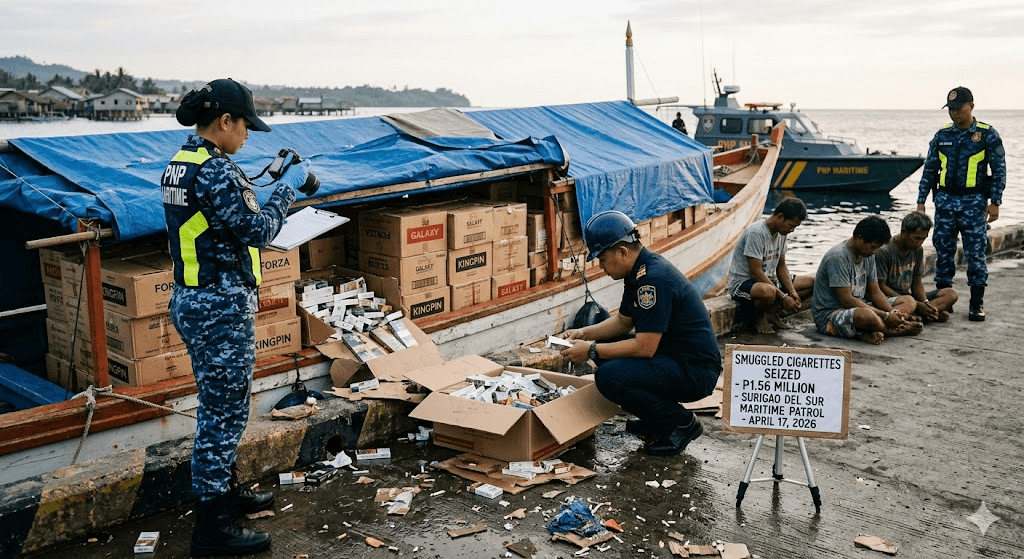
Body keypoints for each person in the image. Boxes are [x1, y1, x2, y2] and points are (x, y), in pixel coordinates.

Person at [162, 78, 318, 556]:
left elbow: (220, 210)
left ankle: (225, 495)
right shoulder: (216, 171)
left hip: (194, 298)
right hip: (219, 307)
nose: (249, 134)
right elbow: (258, 228)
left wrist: (265, 180)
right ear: (225, 121)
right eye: (246, 124)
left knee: (222, 405)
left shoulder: (183, 163)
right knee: (223, 414)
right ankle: (213, 528)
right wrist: (288, 188)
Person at [560, 211, 721, 456]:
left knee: (608, 376)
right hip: (675, 358)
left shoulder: (652, 280)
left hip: (695, 371)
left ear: (622, 252)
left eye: (602, 259)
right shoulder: (639, 271)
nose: (601, 267)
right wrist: (582, 333)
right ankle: (658, 419)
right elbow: (624, 322)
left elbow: (645, 347)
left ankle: (680, 424)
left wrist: (590, 350)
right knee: (606, 357)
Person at [916, 86, 1006, 322]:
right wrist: (921, 201)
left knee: (975, 254)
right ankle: (944, 302)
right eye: (951, 109)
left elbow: (999, 171)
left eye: (958, 108)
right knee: (944, 252)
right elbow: (930, 170)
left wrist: (995, 202)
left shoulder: (987, 135)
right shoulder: (942, 136)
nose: (954, 114)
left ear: (971, 106)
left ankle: (976, 304)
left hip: (973, 203)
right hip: (945, 203)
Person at [811, 216, 922, 345]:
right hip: (832, 315)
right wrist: (885, 316)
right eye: (873, 247)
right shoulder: (838, 257)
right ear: (859, 239)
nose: (874, 252)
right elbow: (846, 300)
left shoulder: (868, 255)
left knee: (908, 301)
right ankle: (896, 330)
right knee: (866, 316)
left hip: (862, 305)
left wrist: (891, 312)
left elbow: (875, 291)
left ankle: (871, 330)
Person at [727, 198, 814, 334]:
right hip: (744, 282)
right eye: (791, 225)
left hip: (768, 279)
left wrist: (792, 292)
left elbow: (781, 266)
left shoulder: (781, 233)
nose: (792, 230)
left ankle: (772, 314)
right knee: (768, 292)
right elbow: (755, 272)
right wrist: (784, 297)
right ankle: (759, 317)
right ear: (780, 217)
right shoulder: (756, 232)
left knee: (811, 282)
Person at [875, 211, 959, 322]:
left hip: (910, 297)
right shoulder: (884, 251)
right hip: (891, 298)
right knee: (908, 304)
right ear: (904, 232)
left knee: (951, 294)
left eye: (923, 239)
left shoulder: (917, 250)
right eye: (916, 238)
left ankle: (925, 314)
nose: (920, 242)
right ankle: (921, 314)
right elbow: (881, 287)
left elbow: (916, 282)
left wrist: (925, 304)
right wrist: (916, 304)